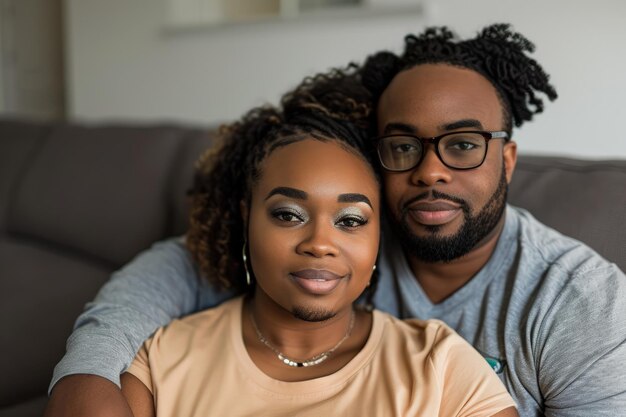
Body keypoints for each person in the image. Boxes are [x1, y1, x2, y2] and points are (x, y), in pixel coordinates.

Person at [45, 24, 626, 417]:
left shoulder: (581, 304)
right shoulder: (331, 247)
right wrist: (89, 370)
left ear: (507, 157)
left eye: (463, 144)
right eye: (403, 146)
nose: (430, 172)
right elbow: (175, 272)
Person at [114, 99, 517, 417]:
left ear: (379, 236)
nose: (320, 243)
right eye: (288, 214)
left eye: (351, 220)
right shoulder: (163, 361)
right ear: (246, 217)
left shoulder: (439, 365)